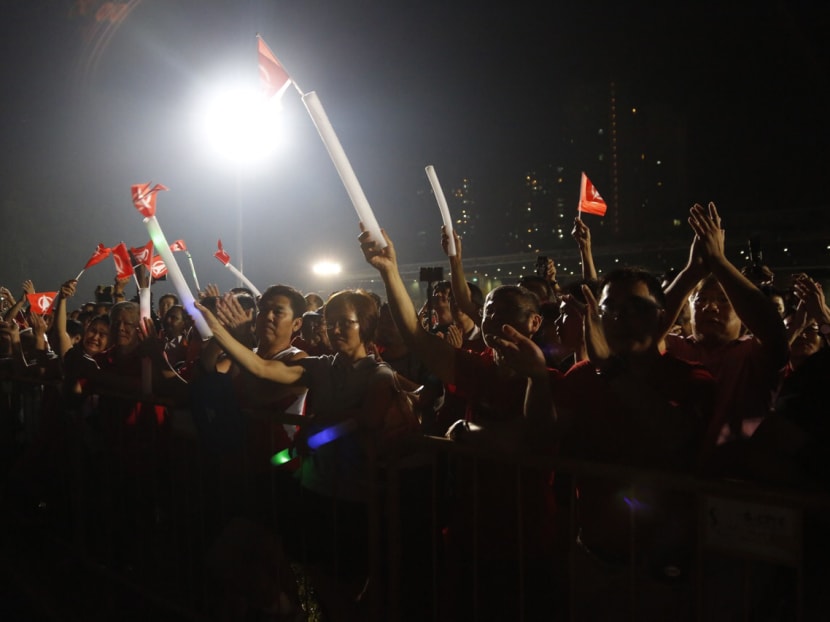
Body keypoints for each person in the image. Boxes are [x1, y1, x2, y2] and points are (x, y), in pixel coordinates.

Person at [554, 267, 716, 620]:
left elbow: (676, 436)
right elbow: (546, 443)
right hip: (595, 553)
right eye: (612, 309)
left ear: (662, 315)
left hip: (667, 563)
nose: (623, 318)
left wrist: (610, 370)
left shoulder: (691, 378)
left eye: (637, 308)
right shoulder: (580, 377)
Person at [663, 202, 789, 447]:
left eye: (723, 300)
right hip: (673, 477)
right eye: (701, 299)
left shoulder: (754, 354)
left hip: (738, 481)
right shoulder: (672, 348)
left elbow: (774, 333)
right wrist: (691, 272)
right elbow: (645, 330)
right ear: (687, 309)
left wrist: (720, 262)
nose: (711, 307)